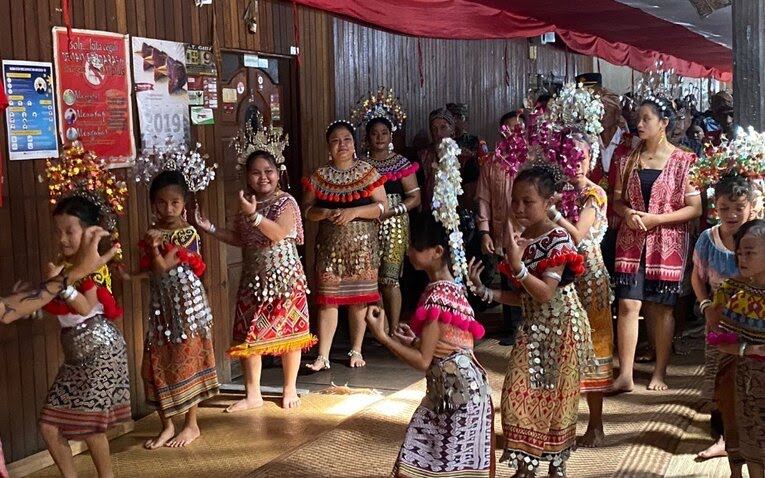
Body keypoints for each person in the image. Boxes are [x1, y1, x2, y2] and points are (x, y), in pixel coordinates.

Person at [469, 163, 593, 478]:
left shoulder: (559, 238)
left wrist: (517, 266)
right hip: (534, 327)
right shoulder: (523, 237)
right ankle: (526, 464)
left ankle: (556, 465)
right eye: (515, 201)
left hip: (563, 327)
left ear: (550, 203)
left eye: (528, 201)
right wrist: (484, 292)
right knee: (517, 392)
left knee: (558, 397)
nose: (519, 208)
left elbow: (545, 293)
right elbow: (524, 296)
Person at [366, 212, 494, 477]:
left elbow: (423, 361)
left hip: (457, 398)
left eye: (415, 246)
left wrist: (384, 338)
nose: (409, 251)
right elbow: (445, 346)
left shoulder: (437, 297)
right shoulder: (448, 289)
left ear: (437, 251)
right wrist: (413, 340)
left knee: (428, 463)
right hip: (457, 394)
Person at [197, 149, 317, 410]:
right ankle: (253, 394)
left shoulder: (287, 202)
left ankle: (289, 388)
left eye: (269, 171)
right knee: (247, 335)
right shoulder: (247, 204)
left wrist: (254, 216)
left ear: (278, 172)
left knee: (290, 333)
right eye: (256, 172)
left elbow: (278, 233)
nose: (263, 177)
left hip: (284, 278)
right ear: (247, 177)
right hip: (253, 278)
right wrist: (211, 229)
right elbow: (242, 239)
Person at [611, 96, 702, 392]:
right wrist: (629, 213)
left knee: (660, 308)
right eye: (638, 119)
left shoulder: (683, 160)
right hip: (632, 238)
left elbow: (695, 208)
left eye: (646, 119)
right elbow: (617, 202)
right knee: (627, 303)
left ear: (663, 123)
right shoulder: (627, 159)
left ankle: (659, 372)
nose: (639, 124)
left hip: (667, 241)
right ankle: (625, 374)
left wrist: (656, 220)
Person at [38, 196, 130, 478]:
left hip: (102, 351)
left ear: (89, 233)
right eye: (58, 232)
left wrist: (60, 284)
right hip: (75, 355)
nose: (63, 239)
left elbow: (84, 306)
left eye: (70, 231)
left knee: (91, 426)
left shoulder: (94, 266)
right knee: (48, 426)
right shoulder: (59, 264)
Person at [139, 170, 219, 448]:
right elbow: (148, 273)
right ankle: (167, 426)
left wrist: (153, 249)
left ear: (185, 203)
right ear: (153, 204)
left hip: (186, 308)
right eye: (161, 203)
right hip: (161, 309)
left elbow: (161, 268)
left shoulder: (187, 233)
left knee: (187, 363)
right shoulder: (153, 235)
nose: (168, 208)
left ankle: (191, 424)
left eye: (175, 202)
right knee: (152, 366)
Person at [303, 120, 388, 370]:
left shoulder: (368, 172)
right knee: (328, 300)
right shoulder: (319, 176)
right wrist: (326, 213)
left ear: (354, 144)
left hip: (363, 246)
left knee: (359, 299)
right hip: (330, 247)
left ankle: (356, 349)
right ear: (329, 147)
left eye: (347, 139)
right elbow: (306, 210)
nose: (342, 145)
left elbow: (383, 206)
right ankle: (323, 356)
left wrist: (356, 212)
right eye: (336, 140)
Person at [550, 136, 614, 447]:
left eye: (581, 158)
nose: (575, 164)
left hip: (588, 276)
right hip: (562, 274)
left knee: (594, 348)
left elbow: (577, 235)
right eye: (568, 157)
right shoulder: (558, 192)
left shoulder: (594, 193)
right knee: (565, 348)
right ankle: (562, 424)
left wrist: (552, 213)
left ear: (591, 160)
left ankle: (597, 425)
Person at [693, 175, 755, 474]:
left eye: (739, 208)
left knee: (751, 380)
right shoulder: (708, 239)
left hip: (754, 320)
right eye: (724, 207)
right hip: (718, 318)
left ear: (751, 207)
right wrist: (706, 305)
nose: (731, 214)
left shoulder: (758, 236)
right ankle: (723, 437)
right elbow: (697, 275)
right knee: (719, 379)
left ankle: (752, 438)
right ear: (714, 207)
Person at [710, 219, 765, 478]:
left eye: (750, 252)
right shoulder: (740, 297)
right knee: (753, 452)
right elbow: (716, 338)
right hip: (748, 390)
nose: (742, 258)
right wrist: (747, 349)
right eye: (740, 253)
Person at [363, 117, 421, 334]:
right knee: (370, 279)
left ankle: (395, 327)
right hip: (367, 222)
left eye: (384, 133)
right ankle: (379, 328)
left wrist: (392, 212)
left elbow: (414, 198)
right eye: (375, 133)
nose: (379, 137)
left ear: (390, 136)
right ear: (367, 137)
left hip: (394, 223)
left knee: (389, 278)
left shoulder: (401, 163)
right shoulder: (361, 165)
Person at [476, 110, 525, 345]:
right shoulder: (492, 163)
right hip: (501, 232)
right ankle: (512, 327)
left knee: (527, 278)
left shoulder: (532, 160)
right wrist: (484, 231)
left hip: (528, 233)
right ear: (501, 131)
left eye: (519, 128)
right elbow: (483, 199)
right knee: (507, 278)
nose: (515, 133)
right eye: (510, 128)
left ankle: (528, 326)